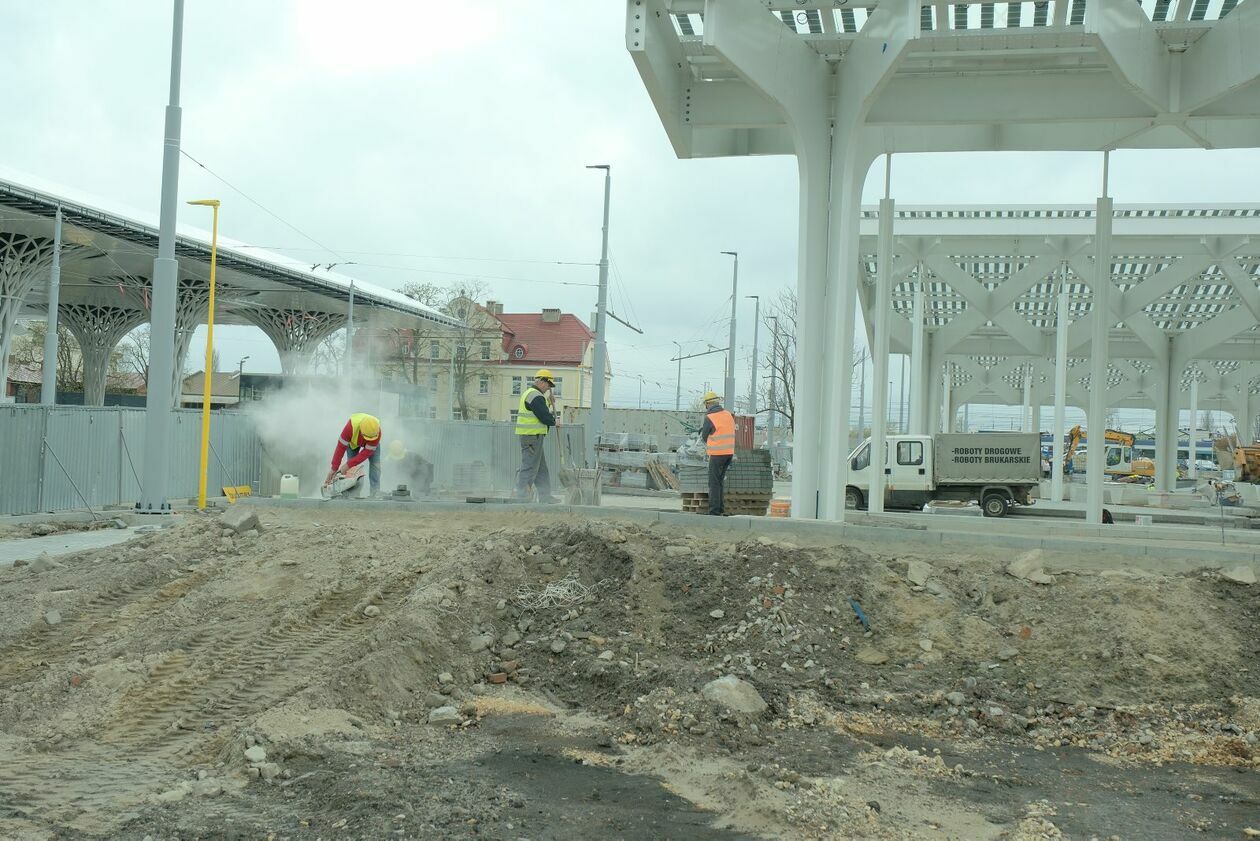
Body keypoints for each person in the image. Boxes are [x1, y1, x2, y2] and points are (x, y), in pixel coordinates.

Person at [514, 369, 559, 503]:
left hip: (533, 437)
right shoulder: (536, 395)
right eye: (548, 385)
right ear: (541, 381)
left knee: (540, 468)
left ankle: (545, 496)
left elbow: (538, 409)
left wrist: (549, 402)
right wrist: (554, 421)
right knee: (529, 466)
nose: (548, 388)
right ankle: (522, 496)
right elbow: (543, 415)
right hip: (532, 437)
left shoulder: (533, 394)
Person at [326, 413, 382, 495]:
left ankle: (375, 492)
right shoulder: (350, 428)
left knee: (375, 465)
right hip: (353, 442)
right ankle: (353, 493)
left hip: (371, 445)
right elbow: (340, 447)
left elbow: (366, 453)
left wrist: (348, 464)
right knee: (352, 471)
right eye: (366, 437)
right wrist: (334, 468)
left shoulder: (377, 432)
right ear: (361, 430)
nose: (369, 439)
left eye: (371, 438)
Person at [699, 390, 735, 516]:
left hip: (717, 454)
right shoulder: (728, 414)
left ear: (708, 404)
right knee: (719, 481)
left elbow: (704, 437)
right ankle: (720, 509)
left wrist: (704, 430)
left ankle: (714, 511)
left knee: (713, 482)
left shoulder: (709, 417)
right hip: (729, 453)